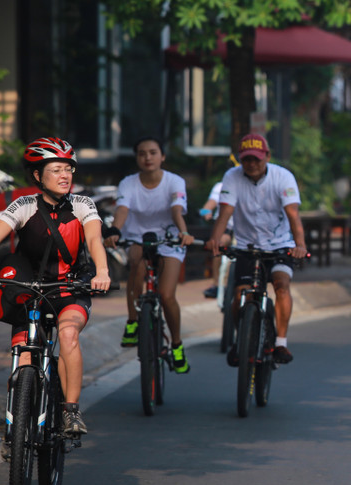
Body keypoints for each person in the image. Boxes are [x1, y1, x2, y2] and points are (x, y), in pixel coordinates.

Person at [0, 137, 111, 436]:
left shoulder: (82, 205)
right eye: (56, 169)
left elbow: (94, 240)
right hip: (29, 292)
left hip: (70, 289)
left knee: (67, 335)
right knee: (23, 355)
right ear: (38, 176)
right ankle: (16, 427)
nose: (65, 175)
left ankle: (71, 412)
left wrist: (101, 271)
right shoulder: (24, 205)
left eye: (68, 168)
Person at [206, 133, 308, 365]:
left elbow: (293, 215)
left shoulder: (283, 177)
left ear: (267, 157)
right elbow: (225, 212)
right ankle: (240, 339)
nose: (251, 164)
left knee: (281, 285)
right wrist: (214, 240)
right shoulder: (232, 176)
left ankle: (281, 343)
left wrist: (299, 245)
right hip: (246, 246)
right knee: (239, 294)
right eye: (247, 159)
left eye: (257, 159)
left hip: (280, 244)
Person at [104, 137, 195, 373]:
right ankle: (133, 320)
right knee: (137, 264)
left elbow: (177, 210)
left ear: (162, 156)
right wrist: (115, 231)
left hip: (170, 239)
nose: (148, 158)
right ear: (137, 158)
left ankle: (176, 345)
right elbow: (122, 210)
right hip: (137, 236)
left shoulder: (175, 182)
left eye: (153, 153)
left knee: (166, 295)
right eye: (142, 153)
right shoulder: (128, 183)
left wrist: (184, 232)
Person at [200, 180, 233, 299]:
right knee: (219, 243)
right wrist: (206, 211)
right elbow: (209, 204)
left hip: (246, 231)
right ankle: (216, 284)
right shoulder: (221, 186)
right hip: (227, 229)